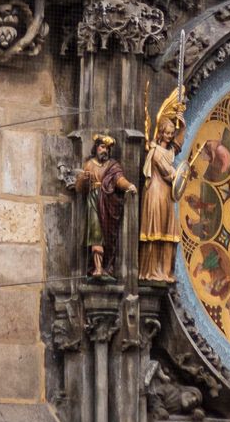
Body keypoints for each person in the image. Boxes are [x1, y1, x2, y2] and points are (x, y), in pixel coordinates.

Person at [139, 90, 187, 283]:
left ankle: (166, 272)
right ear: (159, 133)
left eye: (171, 133)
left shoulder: (168, 150)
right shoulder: (156, 151)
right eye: (166, 133)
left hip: (166, 194)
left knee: (169, 232)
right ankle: (151, 271)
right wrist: (178, 174)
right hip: (156, 193)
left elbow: (178, 144)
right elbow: (168, 172)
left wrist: (181, 125)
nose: (169, 136)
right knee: (155, 230)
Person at [76, 134, 135, 278]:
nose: (105, 151)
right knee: (96, 235)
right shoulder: (89, 164)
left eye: (107, 148)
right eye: (102, 147)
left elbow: (119, 180)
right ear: (96, 148)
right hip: (94, 203)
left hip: (108, 204)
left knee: (109, 238)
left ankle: (107, 266)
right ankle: (97, 268)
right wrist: (83, 180)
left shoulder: (113, 165)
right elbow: (79, 188)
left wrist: (129, 185)